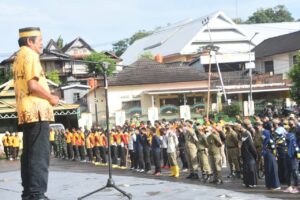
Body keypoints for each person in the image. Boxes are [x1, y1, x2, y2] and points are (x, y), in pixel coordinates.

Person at [13, 27, 59, 200]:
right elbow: (33, 86)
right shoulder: (31, 55)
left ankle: (29, 193)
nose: (42, 43)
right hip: (37, 111)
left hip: (26, 111)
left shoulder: (19, 56)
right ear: (29, 41)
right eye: (39, 40)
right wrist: (51, 97)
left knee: (29, 156)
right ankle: (37, 194)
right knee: (39, 155)